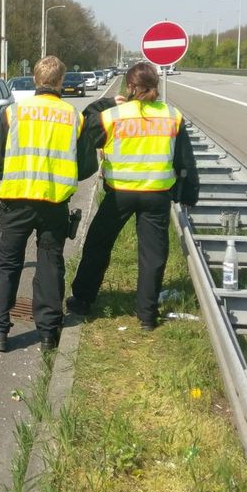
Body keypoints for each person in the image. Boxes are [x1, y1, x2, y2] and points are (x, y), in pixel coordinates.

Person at [0, 55, 98, 353]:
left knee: (6, 264)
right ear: (61, 81)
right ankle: (49, 333)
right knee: (50, 264)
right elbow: (88, 165)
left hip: (17, 201)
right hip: (54, 203)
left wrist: (8, 172)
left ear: (35, 80)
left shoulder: (15, 113)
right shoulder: (74, 117)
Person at [66, 61, 200, 331]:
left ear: (130, 87)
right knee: (153, 254)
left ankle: (82, 300)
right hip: (157, 194)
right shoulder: (171, 115)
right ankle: (147, 316)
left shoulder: (116, 115)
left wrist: (110, 104)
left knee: (98, 245)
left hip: (120, 195)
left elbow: (88, 126)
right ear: (156, 86)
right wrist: (189, 193)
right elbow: (185, 159)